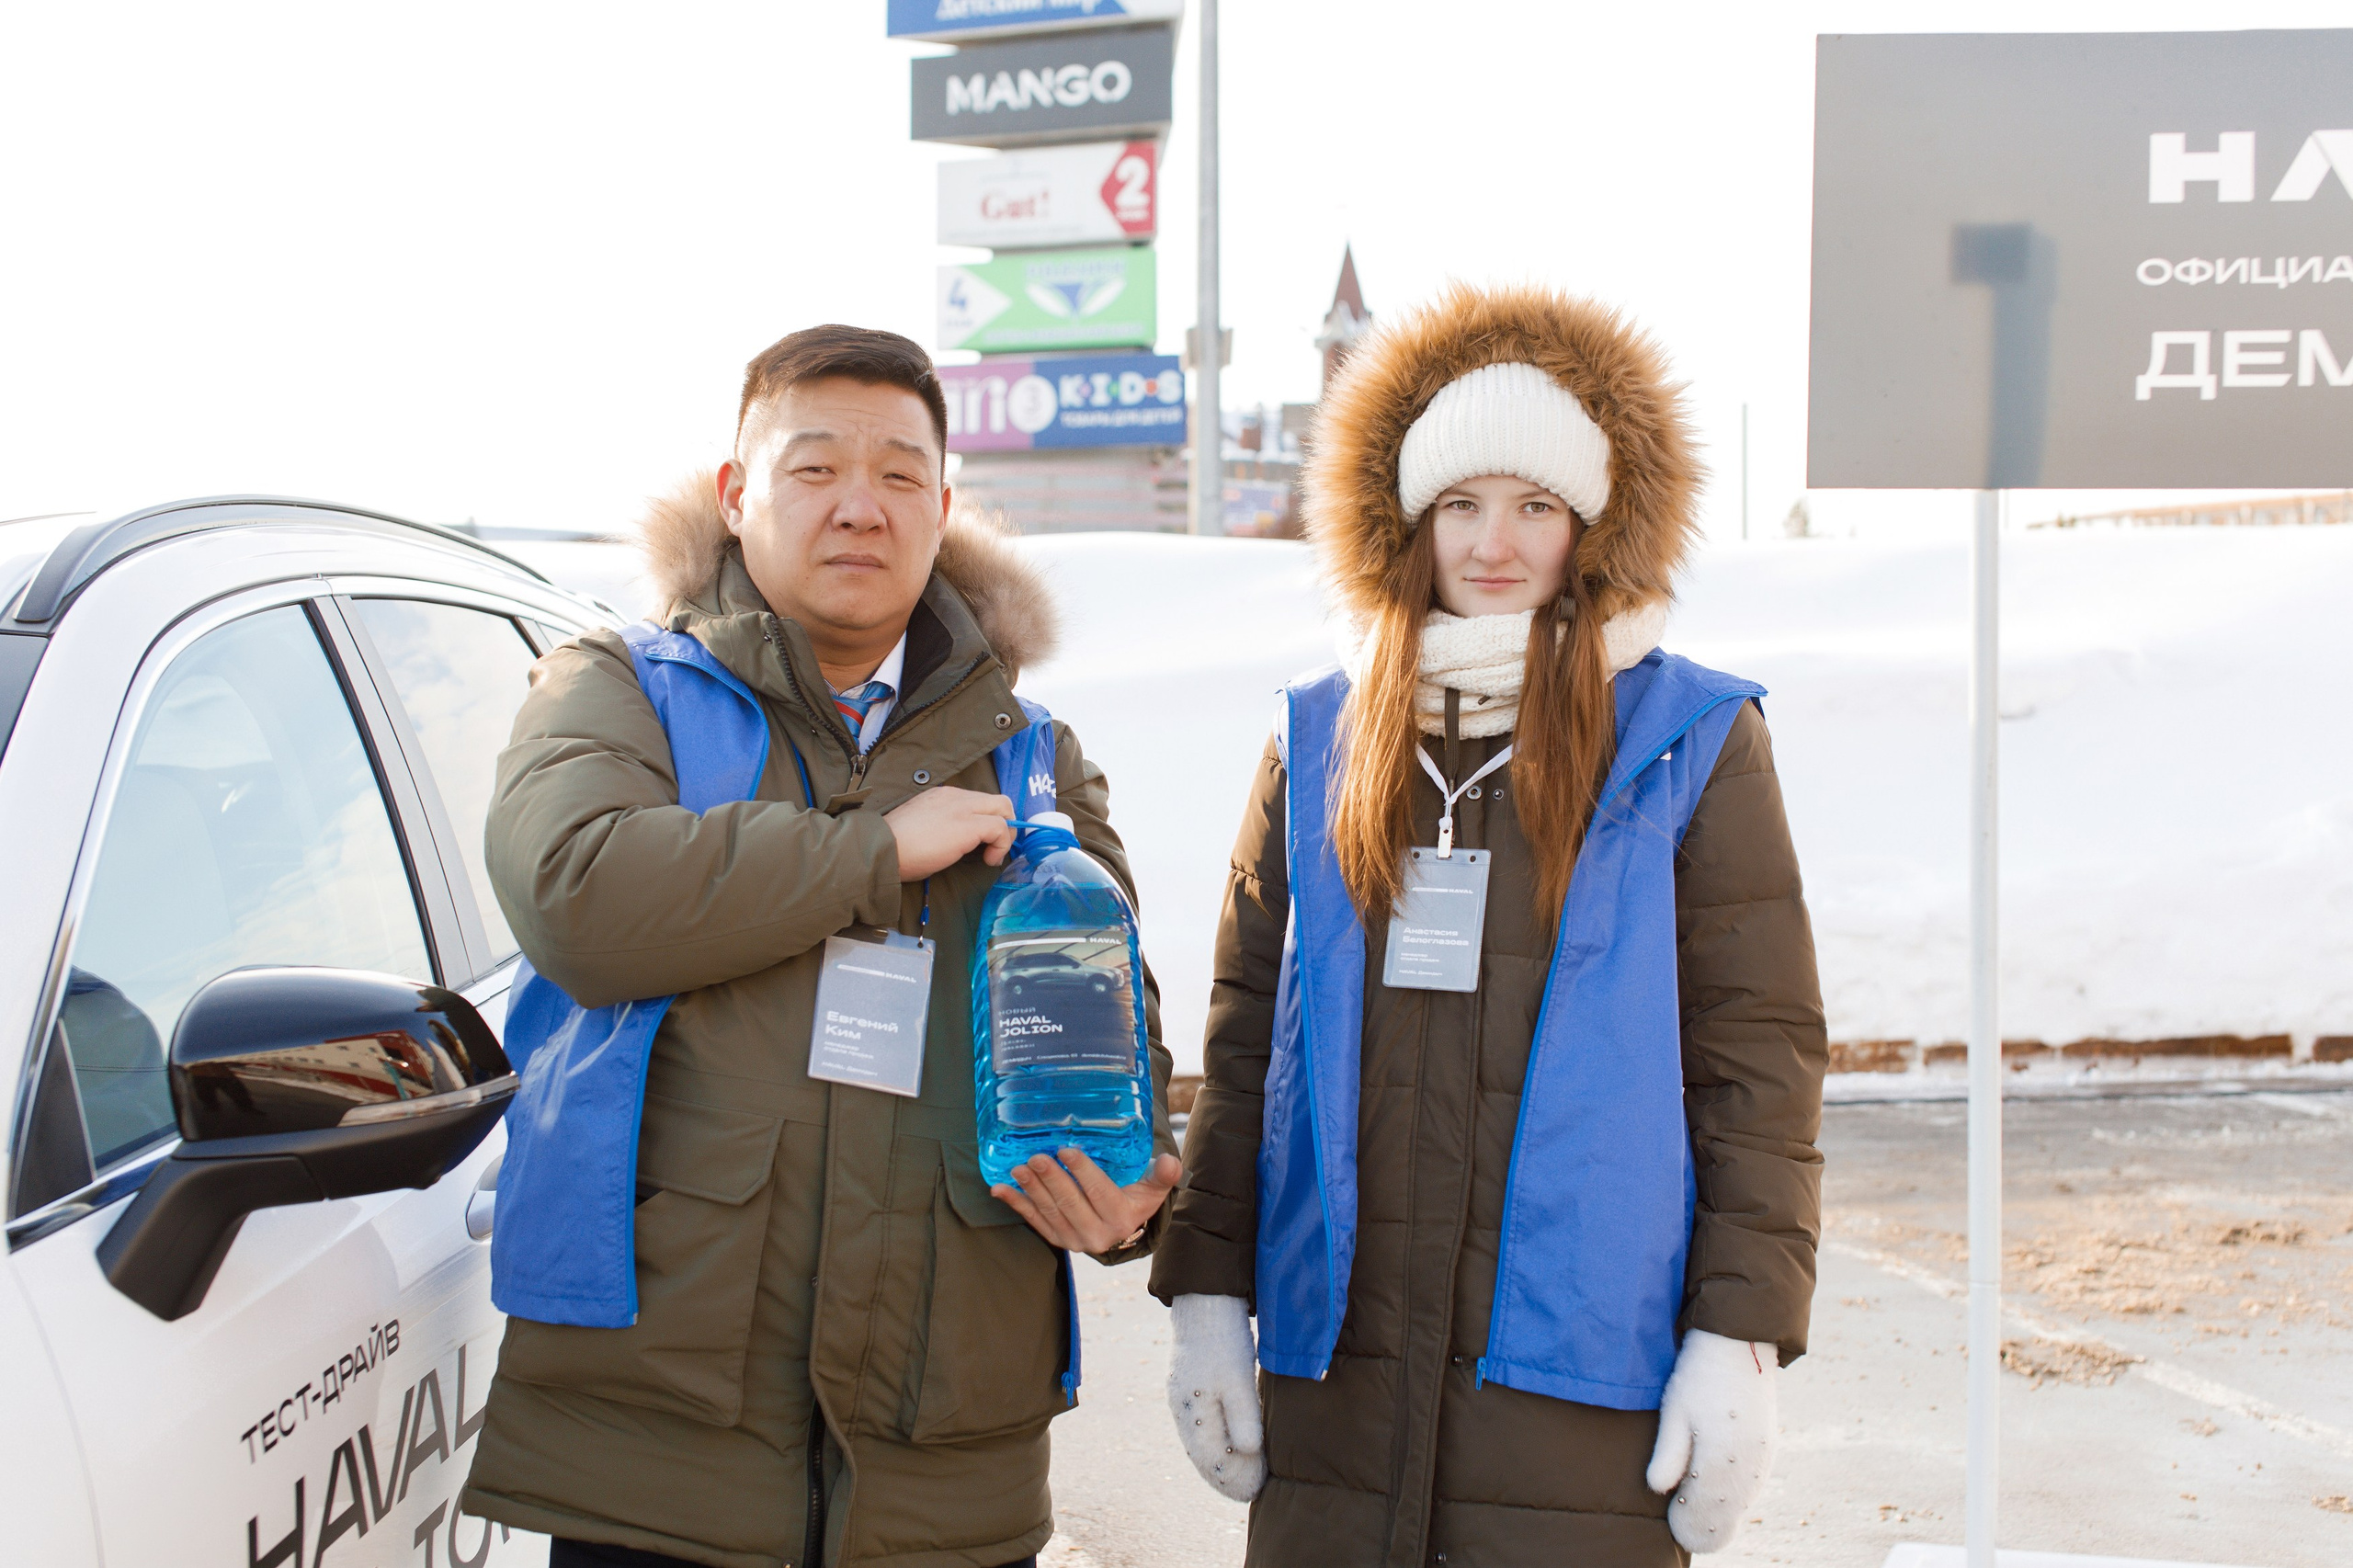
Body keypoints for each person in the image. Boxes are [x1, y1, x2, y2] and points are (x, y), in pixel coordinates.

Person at [460, 324, 1181, 1568]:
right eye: (816, 468)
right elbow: (576, 893)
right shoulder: (619, 687)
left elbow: (1118, 1030)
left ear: (943, 506)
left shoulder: (1031, 754)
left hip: (943, 1462)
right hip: (658, 1458)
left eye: (902, 474)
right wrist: (868, 854)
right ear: (738, 495)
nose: (862, 505)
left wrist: (1131, 1189)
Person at [1149, 284, 1828, 1566]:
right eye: (1460, 503)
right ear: (1408, 521)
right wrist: (1207, 1290)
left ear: (1591, 522)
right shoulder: (1321, 738)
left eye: (1536, 505)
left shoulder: (1687, 738)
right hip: (1336, 1373)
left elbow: (1758, 1061)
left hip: (1580, 1378)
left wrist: (1737, 1334)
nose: (1495, 541)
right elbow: (1245, 1044)